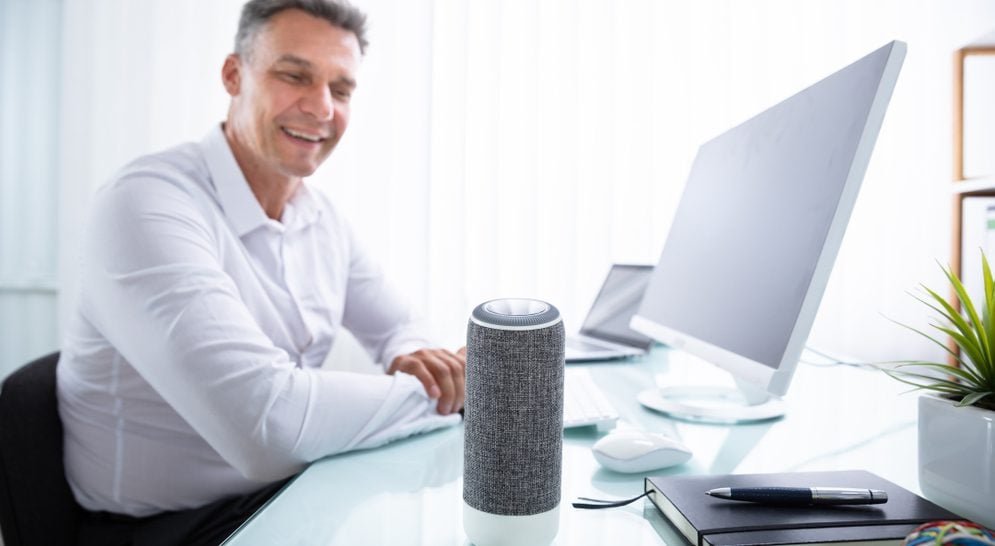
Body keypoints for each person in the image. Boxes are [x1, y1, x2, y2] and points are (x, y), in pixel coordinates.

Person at [56, 1, 466, 543]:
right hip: (166, 528)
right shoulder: (147, 204)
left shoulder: (319, 217)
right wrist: (451, 395)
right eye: (295, 75)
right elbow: (268, 428)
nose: (321, 108)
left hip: (285, 496)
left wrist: (415, 356)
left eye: (341, 90)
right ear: (234, 75)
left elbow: (397, 326)